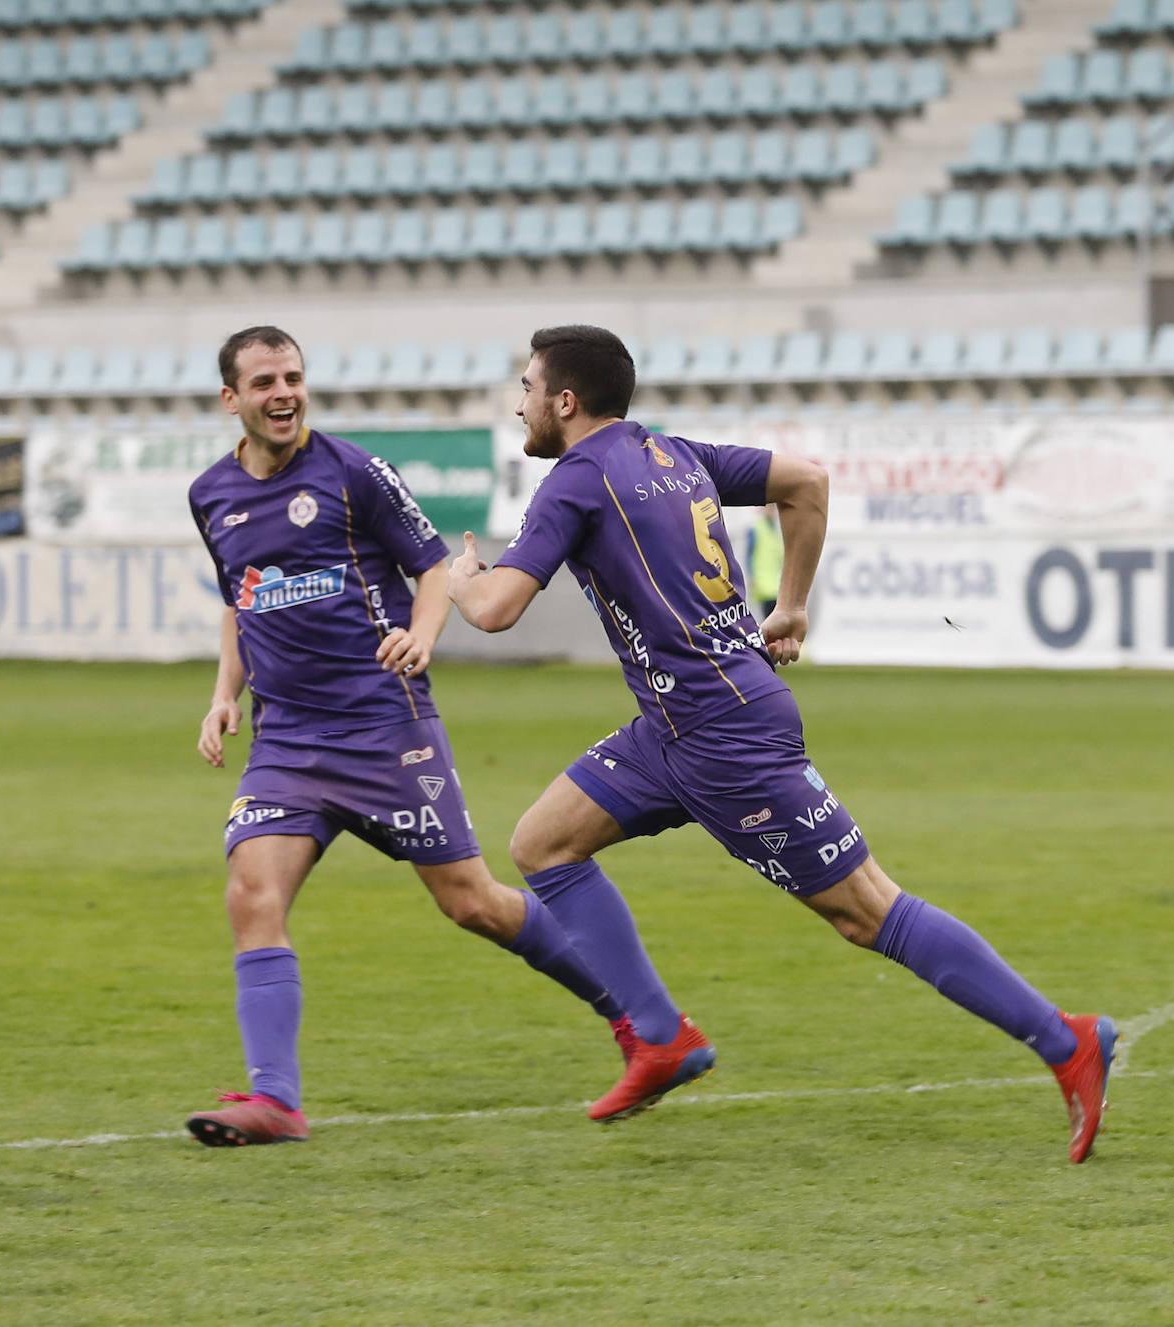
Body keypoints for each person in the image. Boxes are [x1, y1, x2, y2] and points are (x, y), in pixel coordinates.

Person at [446, 324, 1119, 1162]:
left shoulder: (575, 482)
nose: (522, 403)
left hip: (725, 736)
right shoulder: (672, 453)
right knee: (544, 843)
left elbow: (496, 609)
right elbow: (805, 481)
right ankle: (659, 1037)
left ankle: (1069, 1041)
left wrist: (459, 578)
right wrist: (790, 604)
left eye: (527, 387)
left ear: (565, 400)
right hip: (677, 725)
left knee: (867, 911)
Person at [183, 325, 636, 1147]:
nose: (283, 393)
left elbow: (429, 565)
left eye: (292, 376)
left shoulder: (354, 472)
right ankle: (276, 1099)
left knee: (475, 904)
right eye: (263, 382)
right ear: (231, 399)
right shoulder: (210, 493)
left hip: (382, 726)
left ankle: (635, 1018)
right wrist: (225, 696)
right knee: (252, 894)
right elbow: (239, 599)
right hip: (285, 742)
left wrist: (425, 635)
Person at [745, 506, 783, 623]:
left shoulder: (775, 530)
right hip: (762, 584)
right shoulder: (756, 528)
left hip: (775, 585)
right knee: (768, 621)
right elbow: (748, 556)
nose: (772, 511)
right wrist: (751, 577)